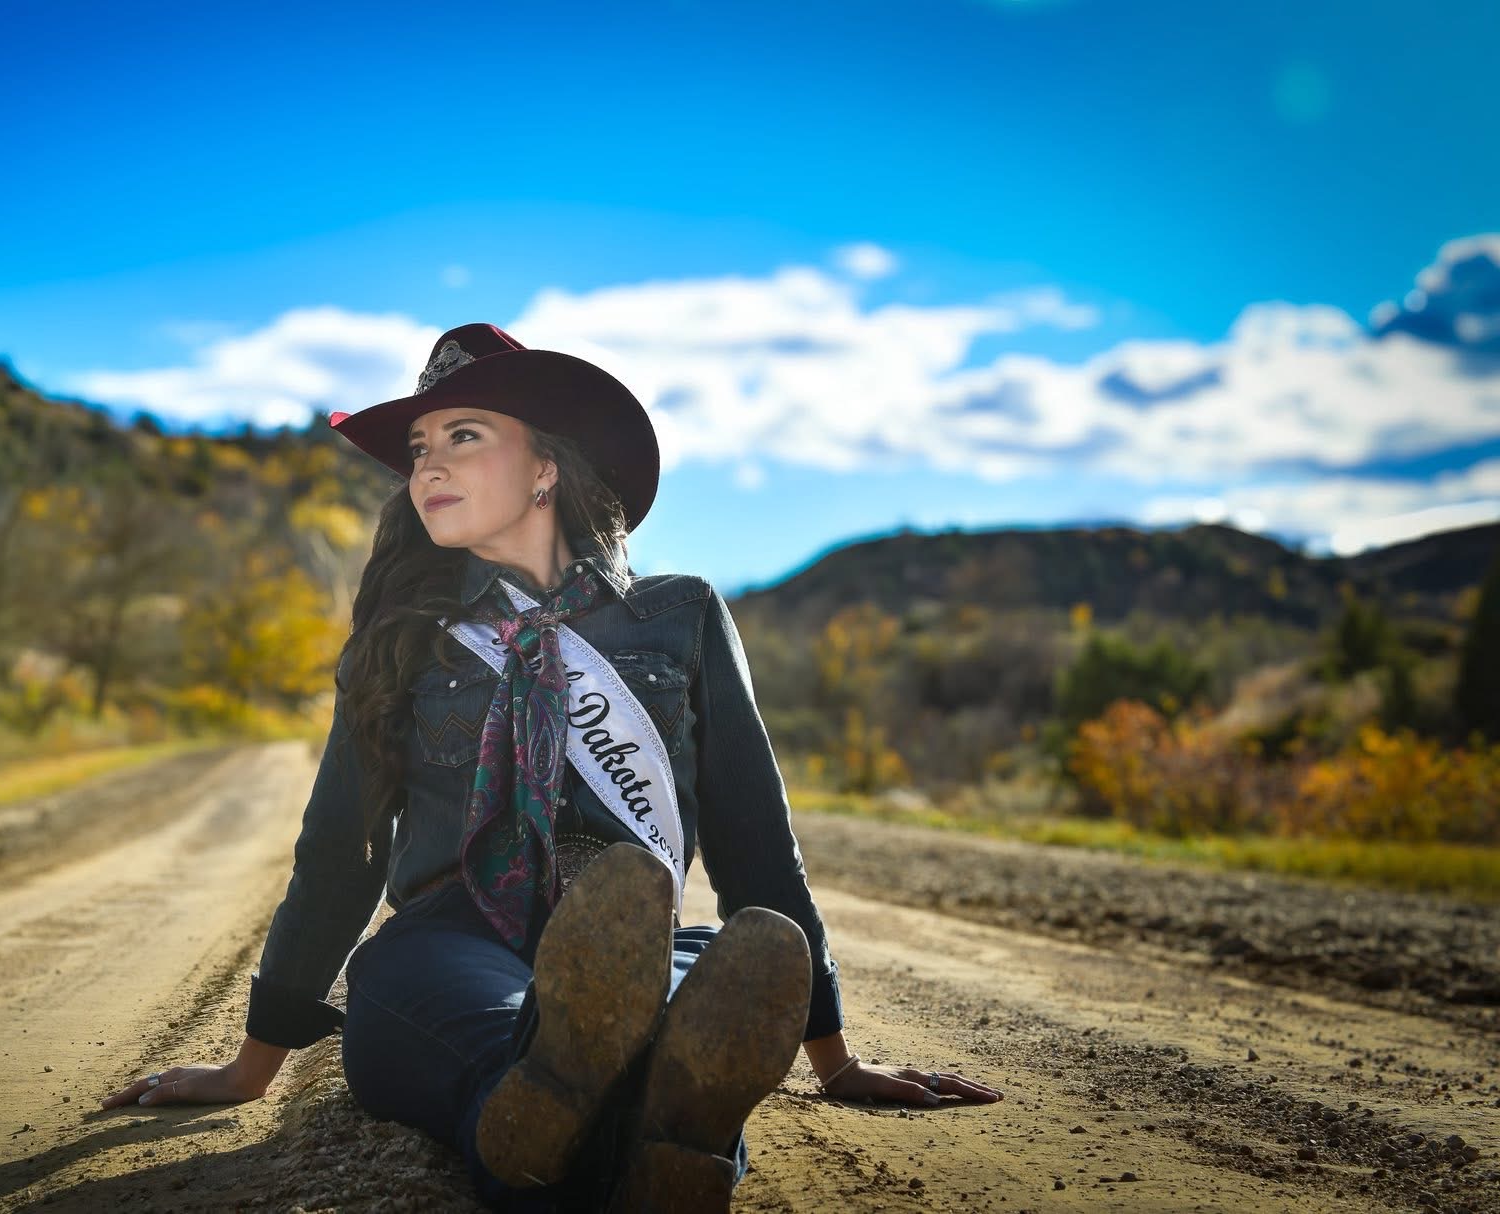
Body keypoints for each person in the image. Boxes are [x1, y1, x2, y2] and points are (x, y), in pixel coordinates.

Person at [103, 323, 1004, 1210]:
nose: (428, 468)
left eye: (463, 436)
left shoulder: (679, 616)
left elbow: (756, 841)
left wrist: (833, 1058)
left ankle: (588, 1124)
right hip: (450, 940)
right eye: (418, 449)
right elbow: (340, 847)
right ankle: (620, 1124)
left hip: (645, 946)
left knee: (690, 1010)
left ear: (546, 468)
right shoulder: (404, 639)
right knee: (510, 1034)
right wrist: (250, 1065)